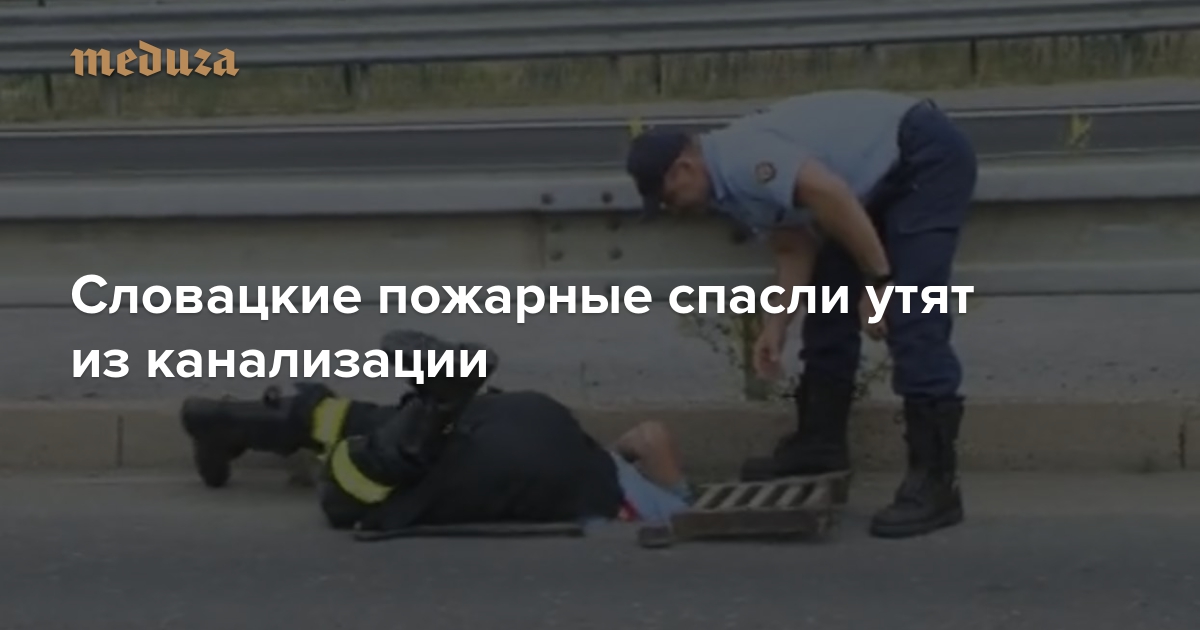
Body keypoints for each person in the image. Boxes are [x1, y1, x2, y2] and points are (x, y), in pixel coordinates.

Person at [624, 89, 978, 539]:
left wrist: (879, 282)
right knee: (829, 297)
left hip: (922, 156)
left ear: (684, 169)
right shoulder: (727, 188)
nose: (672, 210)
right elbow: (794, 247)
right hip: (875, 181)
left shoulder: (740, 162)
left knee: (912, 312)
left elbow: (830, 194)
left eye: (668, 197)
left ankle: (936, 483)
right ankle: (821, 444)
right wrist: (775, 326)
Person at [180, 330, 693, 533]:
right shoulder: (670, 512)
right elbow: (659, 450)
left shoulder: (621, 474)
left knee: (347, 420)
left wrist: (611, 453)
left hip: (535, 419)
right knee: (355, 490)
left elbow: (650, 436)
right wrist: (682, 499)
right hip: (550, 474)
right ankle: (433, 409)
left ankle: (214, 422)